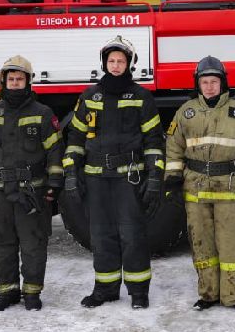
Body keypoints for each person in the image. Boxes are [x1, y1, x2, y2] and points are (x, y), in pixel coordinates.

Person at [63, 36, 164, 310]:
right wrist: (71, 172)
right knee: (101, 235)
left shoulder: (141, 97)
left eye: (121, 61)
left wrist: (154, 177)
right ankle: (105, 289)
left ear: (129, 64)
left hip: (128, 178)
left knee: (133, 235)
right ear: (104, 64)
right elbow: (75, 136)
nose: (116, 65)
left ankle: (138, 292)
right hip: (96, 179)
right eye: (111, 61)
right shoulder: (89, 96)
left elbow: (154, 141)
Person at [162, 56, 235, 311]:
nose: (209, 86)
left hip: (229, 186)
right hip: (195, 188)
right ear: (198, 84)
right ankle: (208, 295)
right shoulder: (185, 112)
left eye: (214, 81)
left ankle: (234, 296)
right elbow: (173, 147)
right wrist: (173, 178)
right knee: (201, 243)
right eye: (204, 82)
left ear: (223, 83)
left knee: (233, 243)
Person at [0, 55, 64, 312]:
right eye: (11, 79)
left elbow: (55, 152)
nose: (15, 83)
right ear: (3, 82)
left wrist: (55, 183)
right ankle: (7, 292)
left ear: (28, 82)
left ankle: (32, 293)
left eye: (20, 79)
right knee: (1, 244)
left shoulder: (43, 114)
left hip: (32, 193)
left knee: (34, 244)